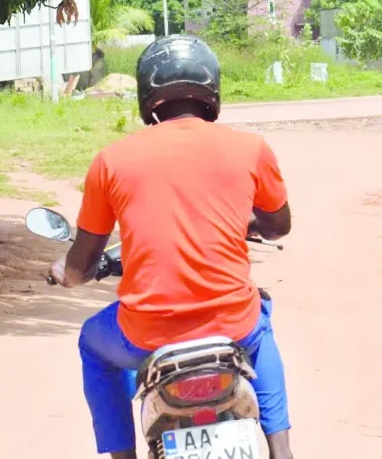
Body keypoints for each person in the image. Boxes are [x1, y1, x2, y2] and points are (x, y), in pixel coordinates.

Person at [49, 35, 295, 459]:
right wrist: (241, 222)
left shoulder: (111, 161)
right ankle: (281, 450)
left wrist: (64, 272)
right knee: (260, 322)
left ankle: (123, 454)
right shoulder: (251, 149)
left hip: (145, 334)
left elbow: (81, 265)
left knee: (93, 341)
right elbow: (278, 225)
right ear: (211, 90)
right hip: (231, 325)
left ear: (148, 94)